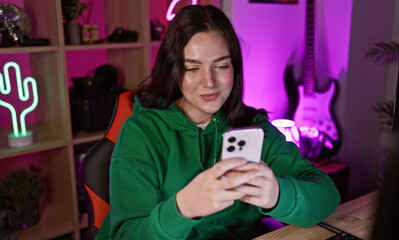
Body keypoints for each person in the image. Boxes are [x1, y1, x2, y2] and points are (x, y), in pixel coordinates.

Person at [96, 5, 340, 240]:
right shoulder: (142, 132)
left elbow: (327, 195)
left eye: (221, 66)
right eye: (192, 68)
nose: (209, 82)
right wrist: (183, 209)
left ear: (235, 67)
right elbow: (126, 235)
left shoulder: (254, 126)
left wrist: (278, 195)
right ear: (173, 70)